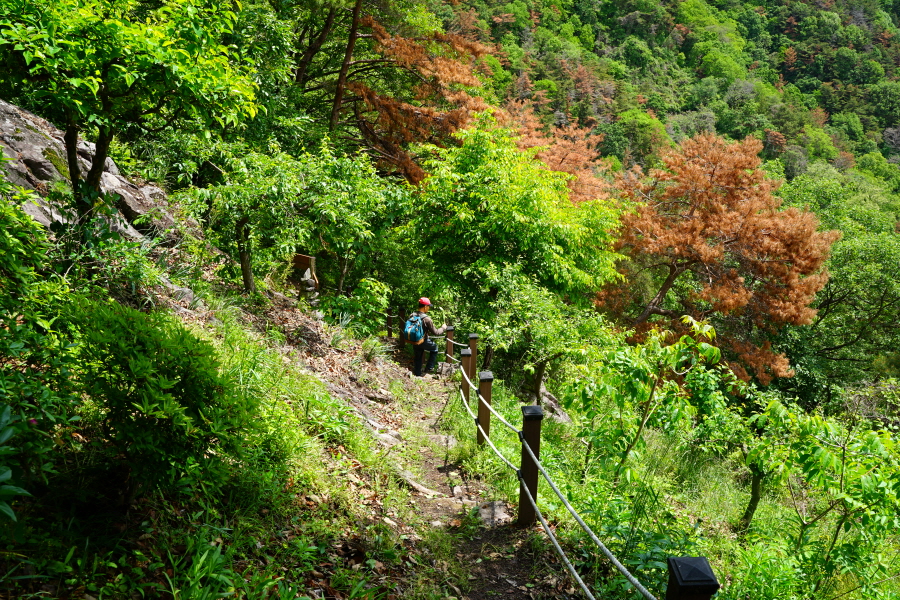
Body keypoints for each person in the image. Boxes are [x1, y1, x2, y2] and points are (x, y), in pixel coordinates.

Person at [409, 297, 446, 377]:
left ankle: (417, 374)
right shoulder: (427, 319)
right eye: (428, 306)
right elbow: (436, 332)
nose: (429, 308)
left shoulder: (412, 315)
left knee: (418, 356)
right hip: (423, 340)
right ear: (425, 307)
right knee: (435, 349)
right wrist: (443, 328)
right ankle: (429, 367)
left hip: (414, 340)